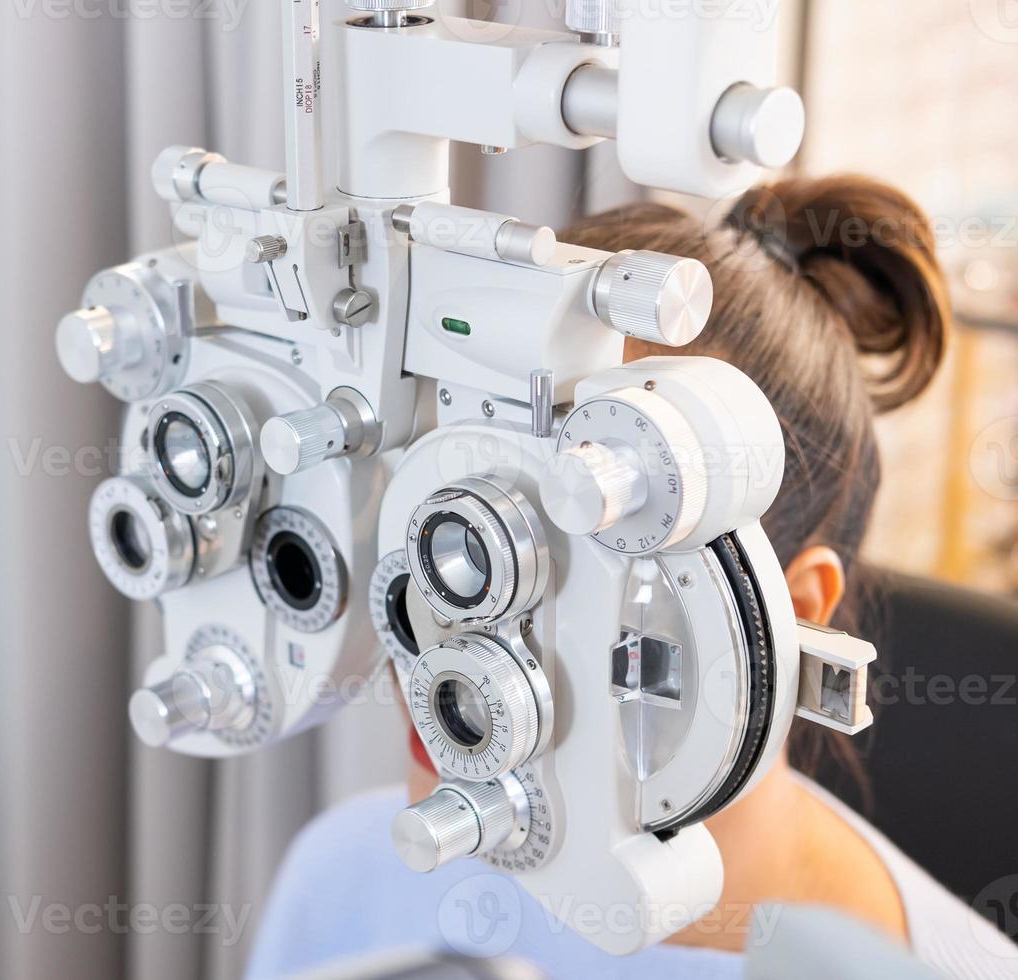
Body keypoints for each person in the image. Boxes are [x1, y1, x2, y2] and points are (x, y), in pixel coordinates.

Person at [247, 177, 1018, 979]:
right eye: (454, 529)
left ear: (783, 618)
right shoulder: (353, 878)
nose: (450, 633)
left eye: (583, 566)